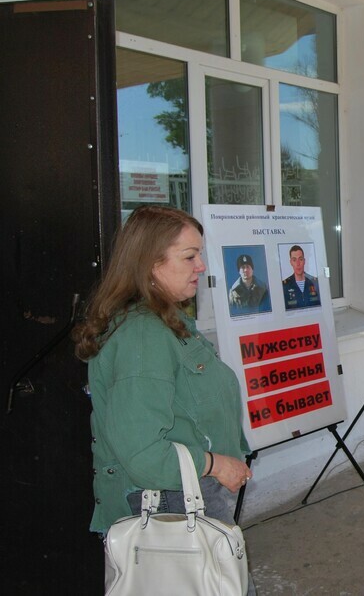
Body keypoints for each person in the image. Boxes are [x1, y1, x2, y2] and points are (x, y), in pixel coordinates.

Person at [73, 205, 253, 537]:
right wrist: (217, 464)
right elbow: (144, 454)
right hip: (169, 502)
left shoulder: (166, 320)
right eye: (189, 257)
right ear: (152, 264)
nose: (201, 266)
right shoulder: (143, 335)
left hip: (184, 492)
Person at [282, 245, 321, 309]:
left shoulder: (315, 282)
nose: (298, 263)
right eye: (294, 260)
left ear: (304, 261)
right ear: (291, 262)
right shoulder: (285, 286)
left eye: (300, 259)